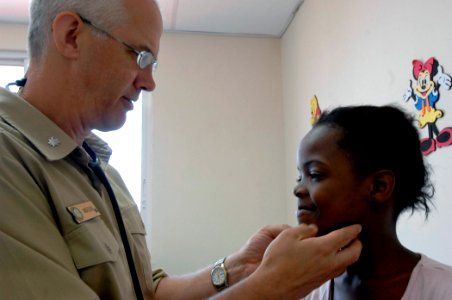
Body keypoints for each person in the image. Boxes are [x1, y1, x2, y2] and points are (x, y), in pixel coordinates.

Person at [0, 0, 362, 299]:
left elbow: (148, 291)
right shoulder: (9, 160)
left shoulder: (100, 171)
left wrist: (237, 268)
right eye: (140, 56)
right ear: (72, 36)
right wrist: (269, 288)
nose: (149, 82)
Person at [294, 105, 452, 300]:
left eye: (315, 174)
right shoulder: (304, 291)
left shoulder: (444, 290)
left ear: (379, 187)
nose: (298, 189)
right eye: (299, 176)